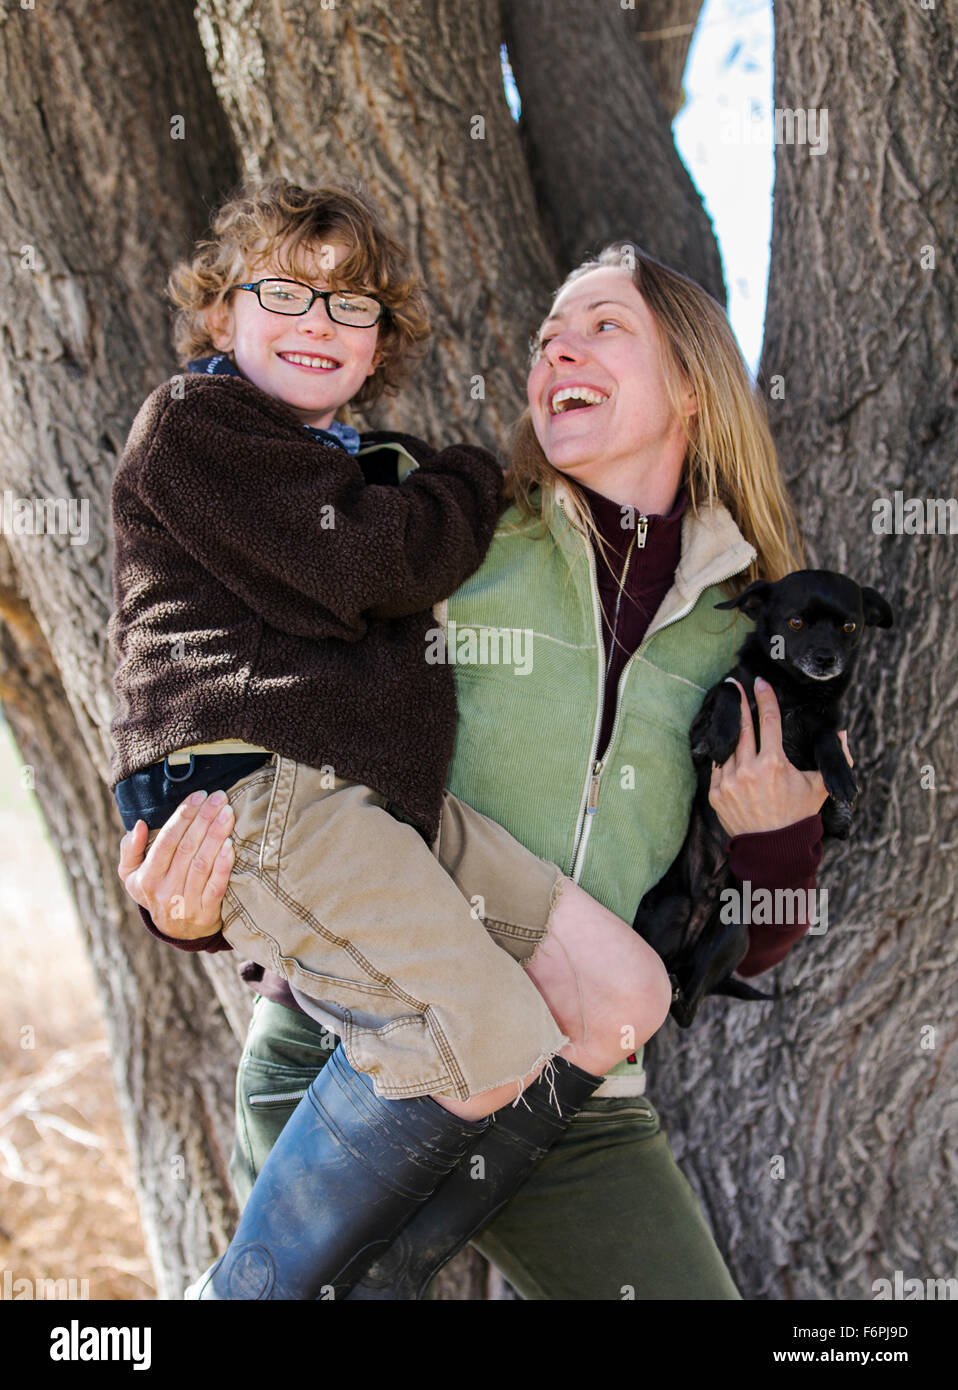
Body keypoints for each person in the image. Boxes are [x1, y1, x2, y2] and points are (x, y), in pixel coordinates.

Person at [120, 239, 843, 1301]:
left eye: (602, 327)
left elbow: (740, 938)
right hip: (358, 1061)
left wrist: (780, 837)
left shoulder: (753, 617)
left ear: (691, 382)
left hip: (578, 1089)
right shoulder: (445, 540)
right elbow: (273, 739)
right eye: (549, 336)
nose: (559, 352)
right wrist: (181, 906)